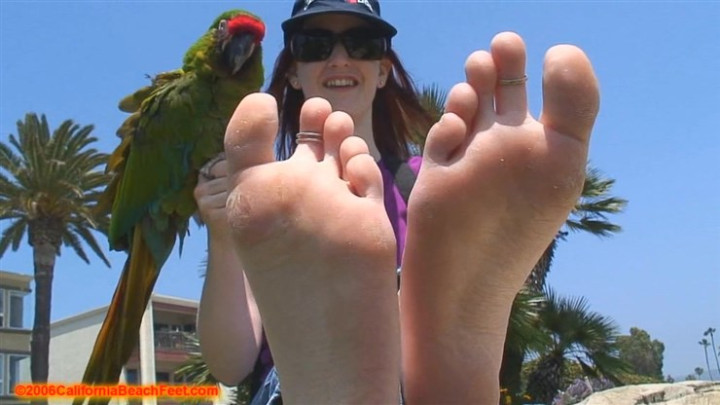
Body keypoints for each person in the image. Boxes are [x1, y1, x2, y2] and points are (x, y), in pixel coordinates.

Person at [195, 0, 599, 404]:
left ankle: (416, 353)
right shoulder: (267, 206)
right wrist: (224, 236)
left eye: (362, 43)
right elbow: (231, 362)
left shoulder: (434, 189)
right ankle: (422, 365)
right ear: (293, 73)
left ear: (383, 69)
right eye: (314, 44)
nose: (339, 58)